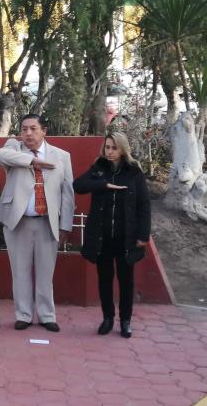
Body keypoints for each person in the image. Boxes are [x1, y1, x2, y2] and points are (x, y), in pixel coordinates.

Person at [0, 114, 74, 332]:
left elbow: (68, 193)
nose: (28, 133)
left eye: (33, 128)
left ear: (44, 131)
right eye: (24, 129)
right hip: (18, 222)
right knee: (19, 271)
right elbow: (0, 154)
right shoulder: (14, 149)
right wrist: (33, 161)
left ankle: (47, 315)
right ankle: (24, 315)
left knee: (45, 273)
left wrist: (66, 224)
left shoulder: (62, 156)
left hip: (47, 222)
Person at [73, 132, 151, 338]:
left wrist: (143, 235)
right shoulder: (99, 168)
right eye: (107, 147)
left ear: (122, 149)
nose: (109, 151)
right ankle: (107, 318)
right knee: (104, 278)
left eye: (114, 148)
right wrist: (103, 184)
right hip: (102, 236)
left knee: (126, 280)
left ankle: (126, 321)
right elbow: (78, 186)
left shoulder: (134, 172)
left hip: (126, 237)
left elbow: (144, 205)